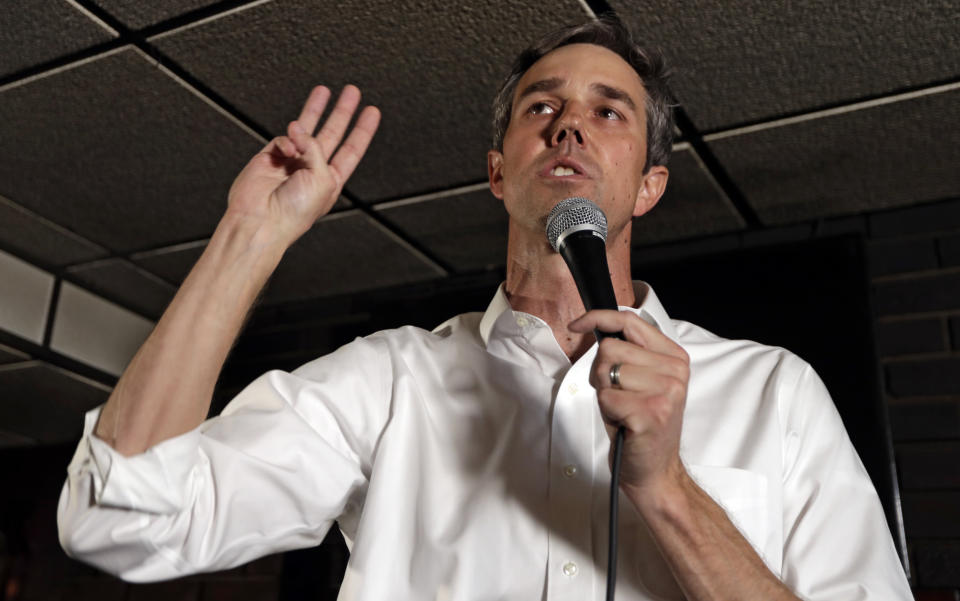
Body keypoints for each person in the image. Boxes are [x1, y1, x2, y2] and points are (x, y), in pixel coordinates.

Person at [57, 18, 912, 601]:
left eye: (607, 112)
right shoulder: (390, 381)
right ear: (499, 171)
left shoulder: (774, 391)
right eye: (543, 107)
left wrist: (671, 491)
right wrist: (249, 237)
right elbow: (118, 519)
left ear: (650, 185)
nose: (568, 125)